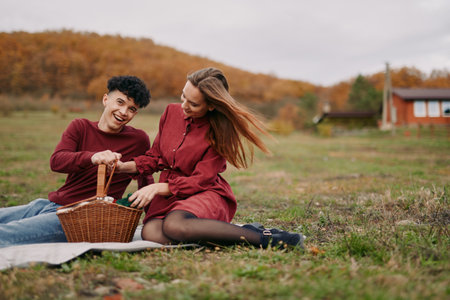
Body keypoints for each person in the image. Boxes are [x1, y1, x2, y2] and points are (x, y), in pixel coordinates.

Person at [117, 67, 304, 249]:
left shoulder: (219, 132)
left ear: (212, 105)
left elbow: (201, 180)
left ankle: (264, 238)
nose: (184, 106)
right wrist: (122, 166)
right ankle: (223, 232)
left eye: (194, 104)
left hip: (203, 192)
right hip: (171, 194)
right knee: (151, 232)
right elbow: (156, 157)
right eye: (183, 96)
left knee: (174, 226)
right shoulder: (170, 113)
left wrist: (159, 187)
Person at [0, 75, 153, 248]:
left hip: (83, 218)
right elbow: (57, 161)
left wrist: (153, 220)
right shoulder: (80, 127)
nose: (124, 112)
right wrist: (92, 157)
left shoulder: (138, 140)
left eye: (131, 109)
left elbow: (145, 179)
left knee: (7, 233)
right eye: (120, 102)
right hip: (51, 204)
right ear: (105, 99)